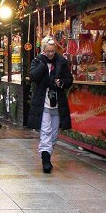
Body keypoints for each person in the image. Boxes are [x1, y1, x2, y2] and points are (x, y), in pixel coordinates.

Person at [26, 37, 73, 174]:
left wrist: (62, 82)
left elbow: (69, 79)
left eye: (53, 51)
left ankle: (47, 154)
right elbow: (33, 76)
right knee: (45, 131)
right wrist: (43, 63)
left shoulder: (62, 62)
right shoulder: (38, 61)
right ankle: (45, 160)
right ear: (43, 51)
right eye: (48, 52)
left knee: (53, 134)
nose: (51, 54)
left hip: (58, 103)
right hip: (43, 103)